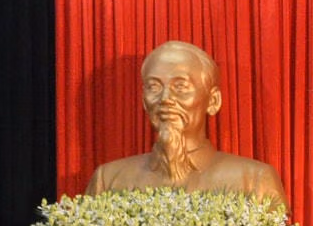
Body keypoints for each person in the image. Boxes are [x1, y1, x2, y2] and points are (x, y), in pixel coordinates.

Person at [86, 40, 286, 202]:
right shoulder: (109, 180)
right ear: (144, 101)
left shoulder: (254, 181)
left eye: (180, 86)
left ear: (213, 101)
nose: (165, 98)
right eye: (154, 87)